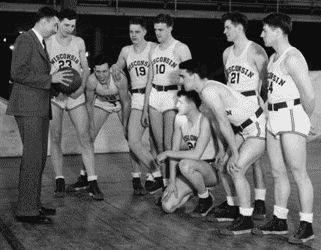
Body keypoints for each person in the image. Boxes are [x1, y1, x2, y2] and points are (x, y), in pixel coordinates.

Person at [179, 59, 266, 235]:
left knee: (236, 168)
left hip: (257, 126)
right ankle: (233, 207)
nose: (180, 81)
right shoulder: (203, 94)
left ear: (194, 76)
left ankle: (246, 219)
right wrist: (221, 150)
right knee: (222, 165)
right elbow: (216, 124)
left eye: (183, 76)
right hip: (243, 130)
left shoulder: (209, 91)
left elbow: (224, 121)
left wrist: (233, 152)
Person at [252, 13, 315, 244]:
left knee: (299, 173)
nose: (261, 34)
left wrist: (303, 121)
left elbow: (309, 95)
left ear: (278, 31)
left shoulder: (293, 57)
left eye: (265, 30)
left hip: (291, 115)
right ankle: (279, 220)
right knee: (277, 172)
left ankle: (307, 225)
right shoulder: (272, 58)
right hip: (274, 116)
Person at [6, 6, 71, 224]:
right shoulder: (26, 39)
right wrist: (49, 80)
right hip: (28, 107)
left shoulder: (40, 43)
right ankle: (26, 210)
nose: (56, 29)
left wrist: (54, 87)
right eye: (55, 24)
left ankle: (33, 204)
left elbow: (33, 76)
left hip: (39, 107)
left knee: (40, 158)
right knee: (33, 157)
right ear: (44, 21)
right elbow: (17, 73)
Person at [215, 11, 269, 221]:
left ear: (239, 27)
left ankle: (260, 202)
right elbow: (229, 87)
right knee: (230, 162)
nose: (224, 31)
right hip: (235, 114)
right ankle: (235, 204)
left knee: (254, 161)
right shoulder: (227, 53)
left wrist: (265, 111)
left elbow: (266, 86)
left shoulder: (256, 51)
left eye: (227, 27)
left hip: (253, 112)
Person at [46, 8, 104, 200]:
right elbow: (43, 69)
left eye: (73, 25)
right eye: (66, 25)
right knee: (55, 137)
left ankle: (93, 181)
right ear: (58, 22)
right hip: (56, 95)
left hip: (75, 93)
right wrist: (53, 84)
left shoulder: (78, 42)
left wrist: (81, 88)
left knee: (85, 137)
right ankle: (59, 179)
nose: (70, 28)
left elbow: (86, 68)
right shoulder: (48, 41)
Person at [141, 14, 192, 193]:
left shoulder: (181, 48)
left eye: (161, 29)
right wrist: (145, 108)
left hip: (172, 95)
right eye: (155, 30)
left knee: (171, 145)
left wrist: (186, 104)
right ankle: (163, 182)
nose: (157, 33)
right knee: (158, 143)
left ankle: (174, 182)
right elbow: (149, 79)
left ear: (170, 28)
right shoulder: (153, 50)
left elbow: (189, 78)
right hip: (155, 94)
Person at [110, 17, 161, 195]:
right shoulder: (126, 51)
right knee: (133, 141)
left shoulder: (153, 48)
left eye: (137, 31)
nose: (134, 35)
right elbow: (119, 65)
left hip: (154, 95)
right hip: (137, 98)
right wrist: (115, 67)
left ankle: (154, 179)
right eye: (131, 31)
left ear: (145, 32)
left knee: (156, 142)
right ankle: (156, 172)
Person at [156, 89, 219, 217]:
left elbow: (197, 154)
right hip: (191, 169)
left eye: (180, 102)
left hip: (210, 169)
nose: (176, 105)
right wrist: (172, 182)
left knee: (185, 164)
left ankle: (205, 198)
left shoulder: (204, 120)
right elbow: (174, 151)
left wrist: (167, 153)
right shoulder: (179, 119)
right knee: (167, 206)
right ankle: (194, 189)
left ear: (191, 105)